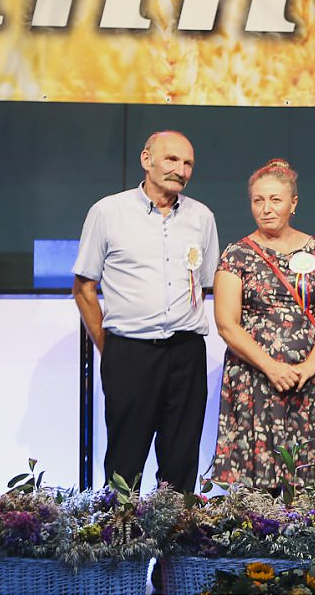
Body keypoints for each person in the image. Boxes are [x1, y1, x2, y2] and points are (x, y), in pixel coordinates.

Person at [72, 130, 219, 493]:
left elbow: (202, 284)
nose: (180, 170)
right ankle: (121, 528)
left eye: (188, 163)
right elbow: (84, 288)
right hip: (130, 352)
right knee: (125, 461)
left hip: (186, 352)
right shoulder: (108, 212)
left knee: (181, 461)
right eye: (172, 159)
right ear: (146, 159)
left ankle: (176, 529)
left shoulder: (202, 217)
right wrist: (110, 347)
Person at [211, 159, 315, 490]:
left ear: (293, 203)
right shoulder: (237, 254)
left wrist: (310, 366)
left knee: (306, 478)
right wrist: (271, 367)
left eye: (275, 200)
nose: (266, 208)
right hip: (254, 379)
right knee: (255, 480)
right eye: (258, 200)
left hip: (308, 381)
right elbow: (226, 324)